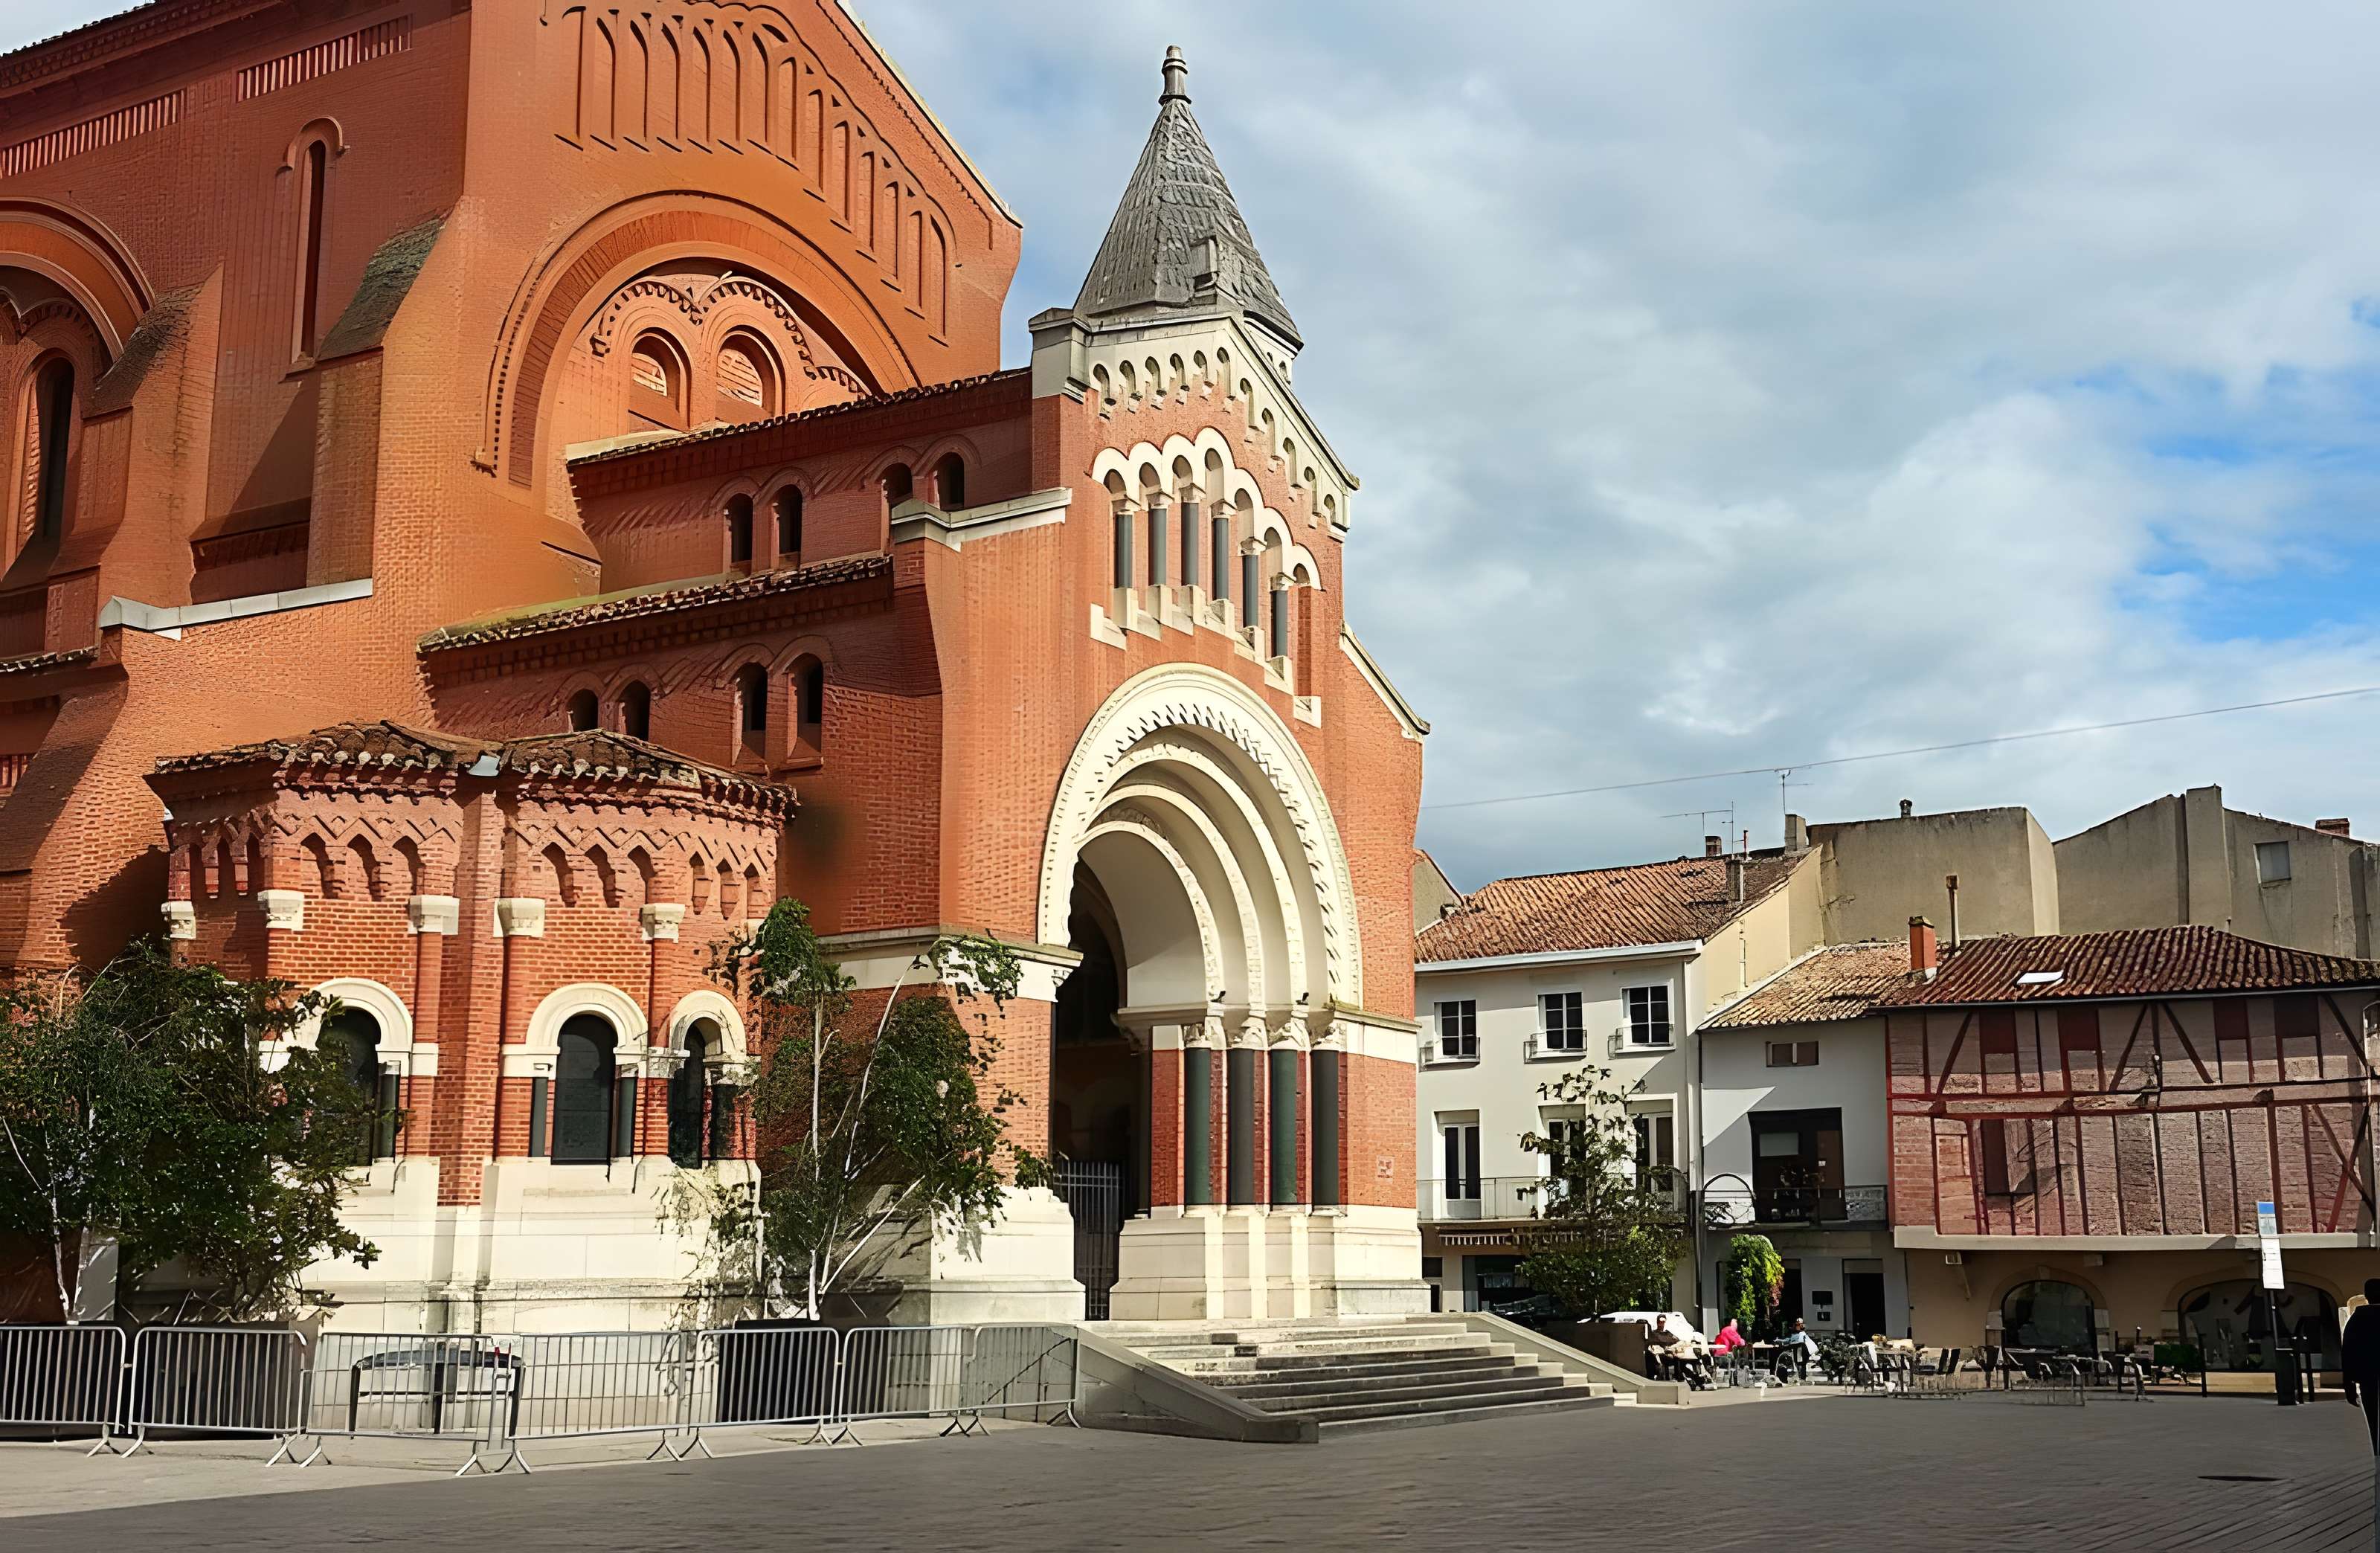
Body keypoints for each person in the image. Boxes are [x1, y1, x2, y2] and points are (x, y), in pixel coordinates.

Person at [2344, 1279, 2380, 1453]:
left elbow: (2348, 1352)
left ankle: (2377, 1452)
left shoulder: (2357, 1320)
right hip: (2369, 1376)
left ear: (2366, 1296)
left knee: (2374, 1418)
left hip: (2368, 1378)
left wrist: (2348, 1384)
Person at [1775, 1317, 1819, 1382]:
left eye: (1798, 1325)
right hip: (1797, 1350)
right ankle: (1801, 1377)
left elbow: (1798, 1342)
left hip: (1800, 1350)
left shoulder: (1802, 1334)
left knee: (1801, 1364)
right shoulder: (1794, 1334)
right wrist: (1779, 1341)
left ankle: (1802, 1378)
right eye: (1797, 1325)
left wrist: (1786, 1345)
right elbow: (1787, 1340)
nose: (1797, 1327)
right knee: (1798, 1364)